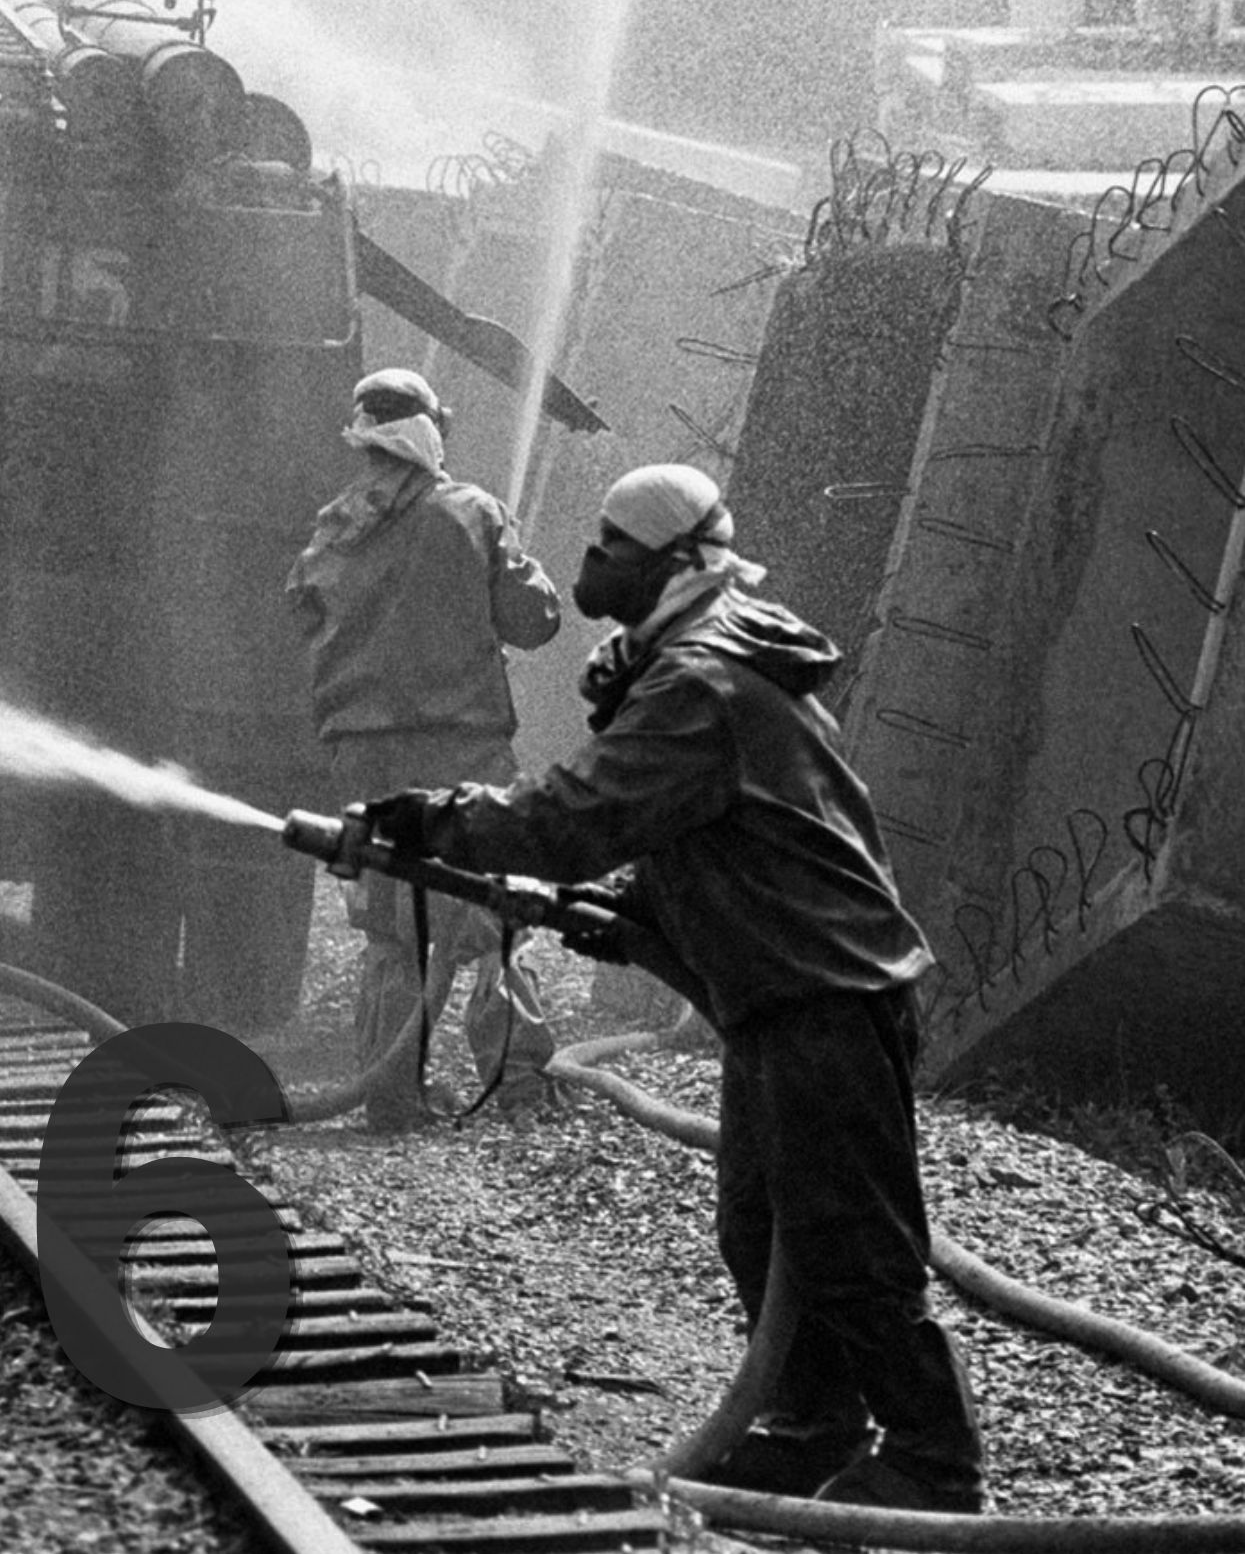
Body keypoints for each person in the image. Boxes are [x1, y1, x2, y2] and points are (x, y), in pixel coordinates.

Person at [359, 463, 984, 1513]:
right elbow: (707, 837)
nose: (591, 562)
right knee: (759, 1227)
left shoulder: (699, 679)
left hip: (826, 988)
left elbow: (575, 814)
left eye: (611, 546)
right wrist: (622, 911)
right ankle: (810, 1427)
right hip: (779, 985)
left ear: (672, 563)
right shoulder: (700, 661)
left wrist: (437, 819)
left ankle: (933, 1458)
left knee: (845, 1234)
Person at [285, 366, 562, 1133]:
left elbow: (304, 615)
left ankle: (391, 1093)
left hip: (363, 757)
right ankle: (517, 1081)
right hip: (461, 747)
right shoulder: (471, 511)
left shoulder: (331, 527)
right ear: (431, 429)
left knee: (390, 926)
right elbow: (534, 621)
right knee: (497, 907)